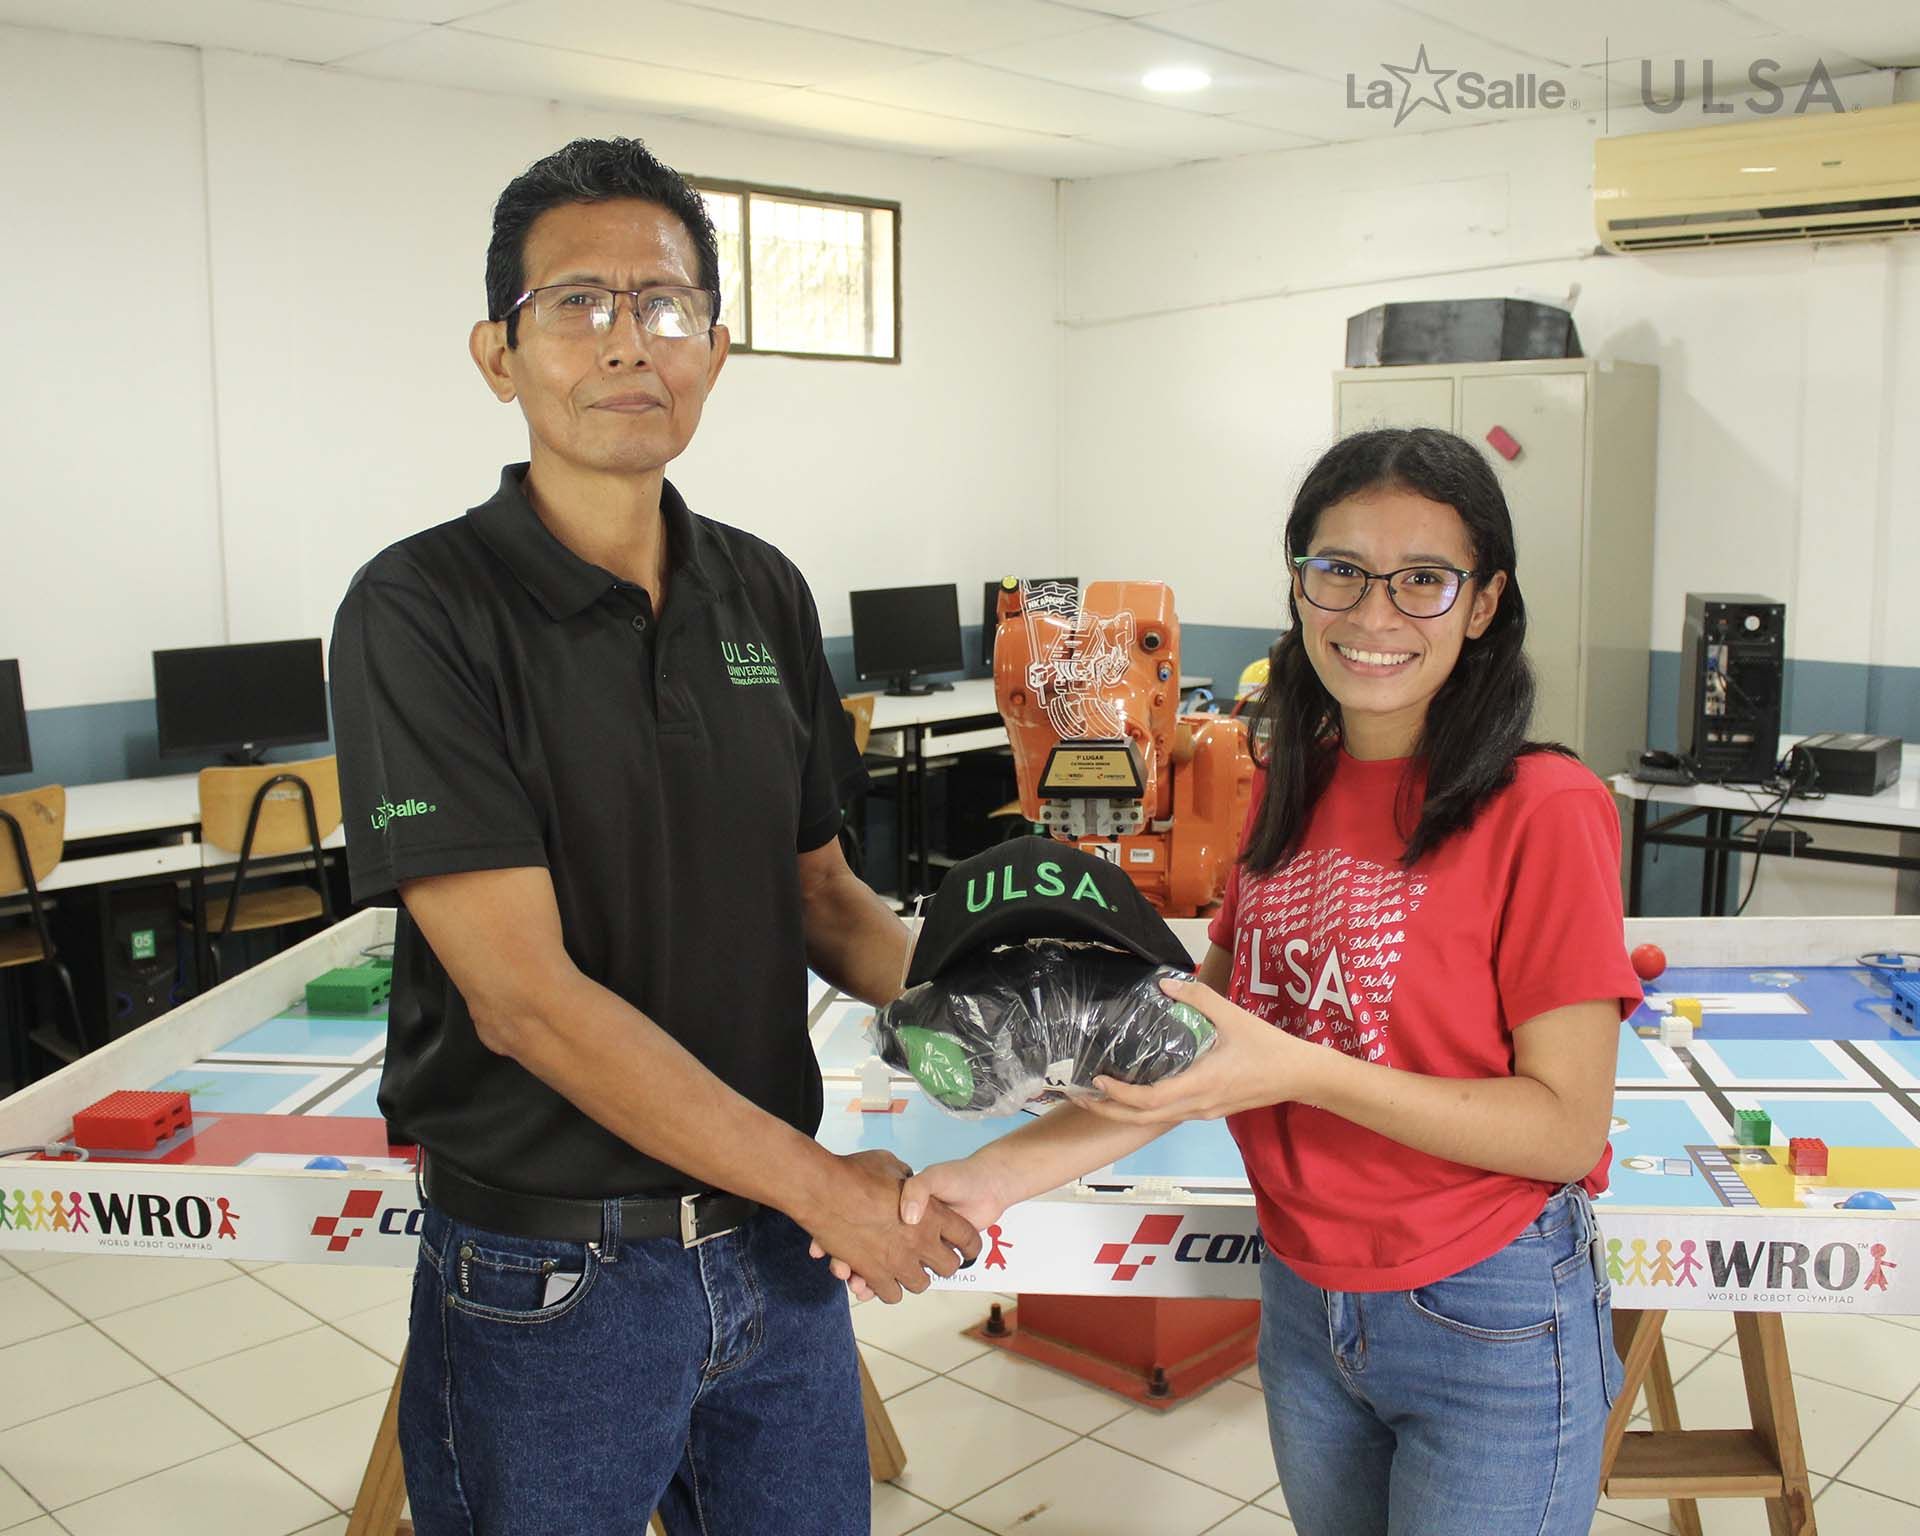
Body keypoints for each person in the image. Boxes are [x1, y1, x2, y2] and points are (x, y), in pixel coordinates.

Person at [328, 136, 978, 1536]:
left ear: (717, 350)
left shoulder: (761, 590)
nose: (630, 341)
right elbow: (524, 1004)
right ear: (498, 355)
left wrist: (994, 1006)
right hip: (554, 1282)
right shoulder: (420, 612)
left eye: (666, 305)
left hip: (776, 1261)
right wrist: (831, 1190)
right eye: (579, 303)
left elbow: (828, 898)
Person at [863, 427, 1639, 1535]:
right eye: (1341, 572)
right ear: (1299, 584)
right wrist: (990, 1178)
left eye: (1424, 579)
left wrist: (1302, 1071)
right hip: (1305, 1300)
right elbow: (1183, 1055)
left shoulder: (1544, 807)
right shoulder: (1292, 787)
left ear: (1483, 603)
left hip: (1486, 1310)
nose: (1375, 615)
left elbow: (1564, 1132)